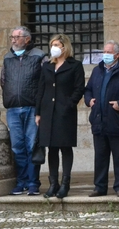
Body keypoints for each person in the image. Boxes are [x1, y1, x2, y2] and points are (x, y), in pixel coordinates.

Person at [85, 40, 119, 197]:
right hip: (99, 120)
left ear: (117, 55)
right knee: (100, 156)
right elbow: (88, 89)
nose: (105, 55)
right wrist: (89, 101)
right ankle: (99, 187)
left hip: (118, 121)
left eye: (108, 52)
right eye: (104, 52)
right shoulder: (97, 71)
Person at [35, 33, 85, 199]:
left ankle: (65, 183)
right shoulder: (47, 66)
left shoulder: (75, 65)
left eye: (56, 45)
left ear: (64, 47)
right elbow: (41, 89)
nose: (53, 48)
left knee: (65, 146)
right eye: (52, 45)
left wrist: (69, 104)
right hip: (48, 111)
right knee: (52, 148)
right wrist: (38, 112)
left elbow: (79, 88)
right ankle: (53, 183)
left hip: (65, 112)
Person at [0, 26, 46, 195]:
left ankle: (33, 183)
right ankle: (21, 182)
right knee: (17, 147)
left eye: (17, 37)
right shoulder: (7, 58)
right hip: (13, 109)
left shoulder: (39, 56)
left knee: (32, 145)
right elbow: (3, 81)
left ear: (27, 39)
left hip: (32, 108)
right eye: (12, 37)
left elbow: (45, 81)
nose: (13, 40)